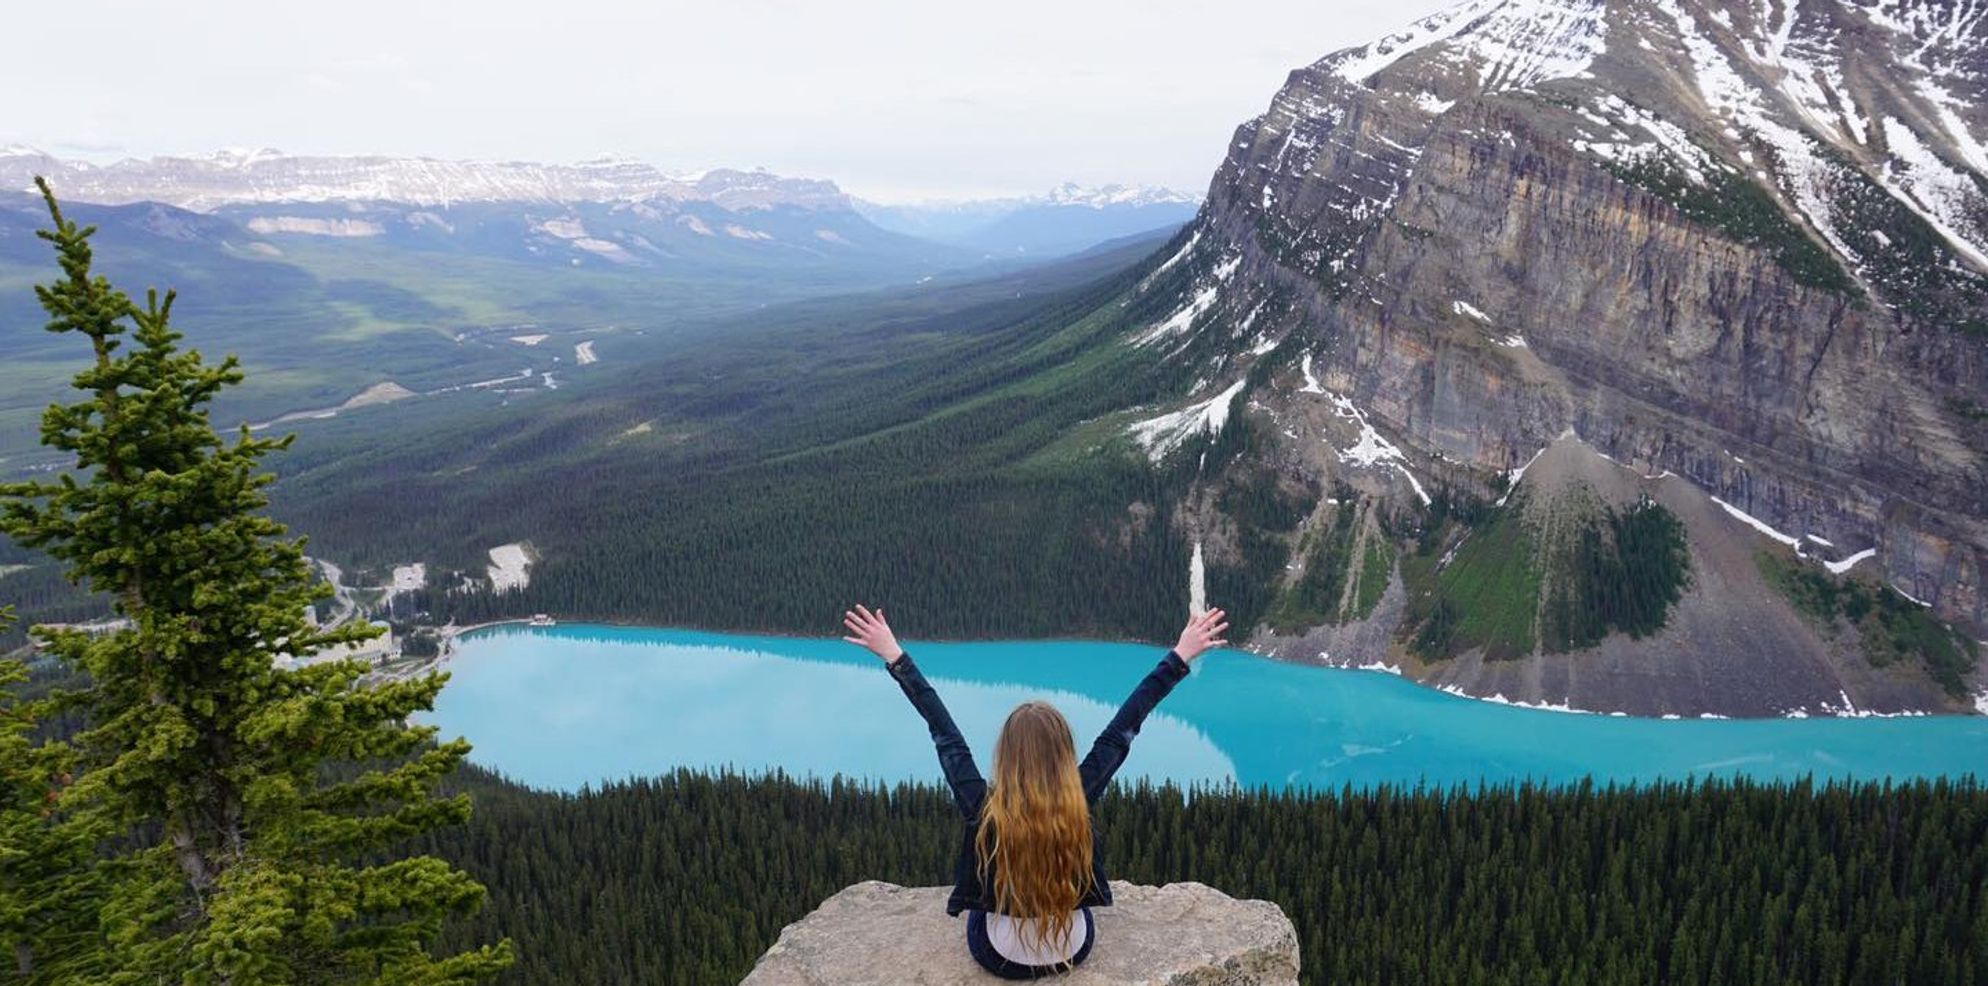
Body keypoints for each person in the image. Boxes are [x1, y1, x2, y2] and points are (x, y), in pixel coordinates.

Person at [840, 603, 1228, 979]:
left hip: (1000, 956)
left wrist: (895, 656)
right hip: (1074, 947)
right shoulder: (1077, 796)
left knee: (980, 911)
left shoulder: (983, 807)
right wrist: (1179, 657)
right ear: (1062, 754)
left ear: (1006, 754)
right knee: (1072, 907)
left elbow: (945, 733)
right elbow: (1123, 729)